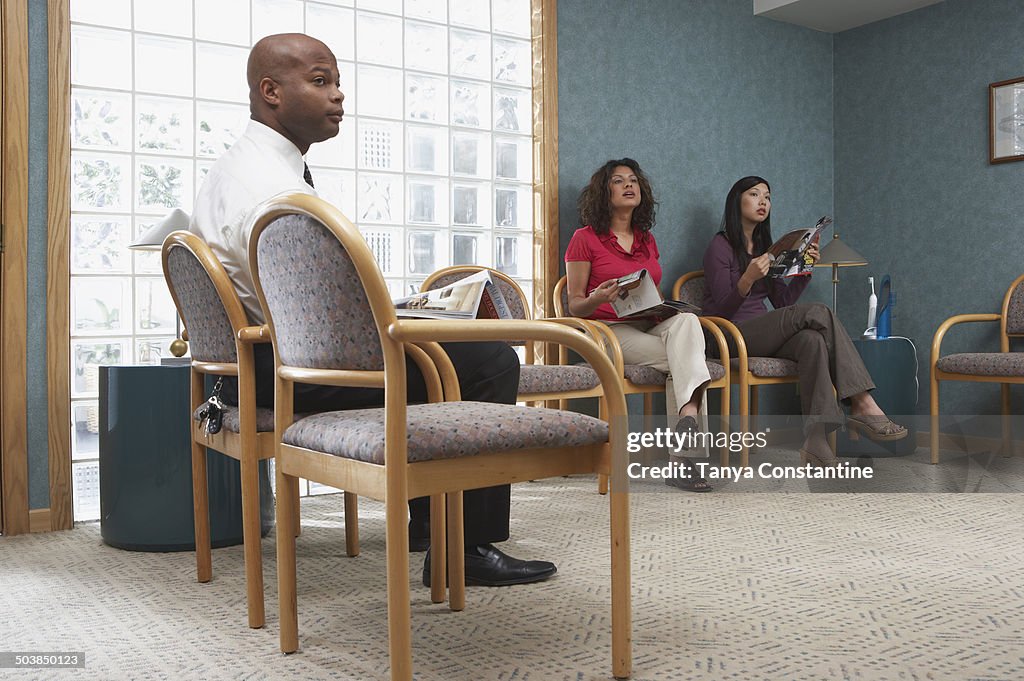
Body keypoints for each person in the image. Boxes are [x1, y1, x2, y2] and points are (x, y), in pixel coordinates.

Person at [190, 33, 555, 587]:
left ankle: (428, 527)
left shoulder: (238, 170)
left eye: (336, 82)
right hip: (285, 371)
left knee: (445, 351)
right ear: (270, 91)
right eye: (320, 81)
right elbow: (335, 331)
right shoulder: (277, 193)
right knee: (489, 361)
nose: (338, 95)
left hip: (243, 370)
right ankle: (464, 550)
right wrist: (405, 317)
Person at [702, 176, 907, 466]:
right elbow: (721, 312)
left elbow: (783, 303)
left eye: (768, 197)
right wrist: (748, 277)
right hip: (728, 336)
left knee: (812, 341)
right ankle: (861, 402)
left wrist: (805, 269)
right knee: (819, 312)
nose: (763, 201)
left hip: (761, 333)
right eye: (754, 194)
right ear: (737, 201)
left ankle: (816, 441)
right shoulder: (719, 246)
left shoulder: (765, 247)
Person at [564, 158, 713, 492]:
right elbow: (574, 304)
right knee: (687, 362)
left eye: (633, 180)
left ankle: (688, 415)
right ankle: (685, 459)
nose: (628, 185)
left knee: (688, 321)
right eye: (618, 181)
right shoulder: (584, 239)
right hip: (607, 332)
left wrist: (663, 307)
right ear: (604, 192)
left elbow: (649, 291)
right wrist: (599, 297)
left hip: (647, 324)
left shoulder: (647, 239)